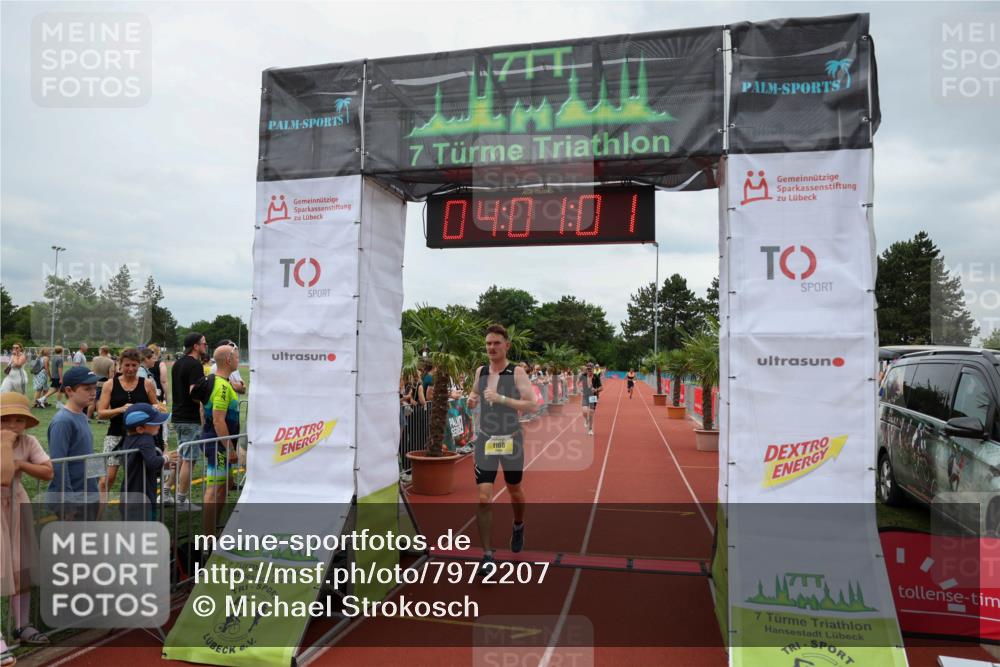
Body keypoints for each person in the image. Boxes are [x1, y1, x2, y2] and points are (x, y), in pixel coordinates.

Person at [466, 324, 534, 576]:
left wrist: (502, 399)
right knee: (484, 497)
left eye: (496, 343)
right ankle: (487, 555)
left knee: (514, 489)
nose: (491, 347)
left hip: (511, 439)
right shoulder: (481, 371)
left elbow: (531, 404)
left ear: (507, 345)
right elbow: (473, 394)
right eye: (488, 344)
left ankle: (518, 525)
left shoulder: (516, 372)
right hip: (486, 440)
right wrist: (471, 399)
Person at [1, 392, 54, 658]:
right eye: (5, 419)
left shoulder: (29, 441)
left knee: (21, 566)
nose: (12, 425)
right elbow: (3, 476)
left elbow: (48, 471)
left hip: (17, 505)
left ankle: (22, 625)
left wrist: (21, 462)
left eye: (19, 419)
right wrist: (6, 447)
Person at [96, 348, 158, 501]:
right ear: (120, 365)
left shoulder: (147, 384)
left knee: (138, 479)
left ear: (139, 365)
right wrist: (120, 409)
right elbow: (101, 413)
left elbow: (156, 409)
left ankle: (138, 513)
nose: (130, 369)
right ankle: (96, 516)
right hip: (115, 435)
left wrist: (153, 409)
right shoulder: (110, 384)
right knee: (107, 480)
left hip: (140, 438)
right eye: (127, 365)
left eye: (134, 365)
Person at [201, 345, 241, 537]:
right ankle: (207, 538)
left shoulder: (219, 382)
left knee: (222, 487)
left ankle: (213, 531)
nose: (238, 361)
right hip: (219, 444)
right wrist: (230, 448)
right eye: (237, 358)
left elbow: (204, 412)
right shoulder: (222, 386)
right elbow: (218, 420)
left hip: (217, 442)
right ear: (228, 360)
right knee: (214, 489)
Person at [47, 367, 100, 510]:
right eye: (87, 388)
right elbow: (58, 464)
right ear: (69, 391)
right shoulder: (63, 421)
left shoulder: (82, 416)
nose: (93, 393)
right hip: (74, 499)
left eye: (95, 388)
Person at [121, 404, 177, 521]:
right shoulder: (146, 439)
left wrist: (163, 462)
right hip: (142, 491)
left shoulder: (128, 438)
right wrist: (167, 458)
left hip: (129, 489)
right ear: (140, 429)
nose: (159, 425)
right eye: (155, 423)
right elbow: (152, 462)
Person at [172, 332, 207, 509]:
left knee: (181, 455)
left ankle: (165, 490)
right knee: (189, 459)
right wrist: (206, 399)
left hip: (177, 415)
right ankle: (181, 499)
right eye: (204, 344)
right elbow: (194, 393)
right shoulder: (195, 365)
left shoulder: (177, 363)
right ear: (195, 346)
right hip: (189, 417)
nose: (205, 346)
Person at [579, 363, 603, 436]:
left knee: (591, 413)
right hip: (585, 395)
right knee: (584, 412)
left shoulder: (596, 377)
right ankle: (586, 420)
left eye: (590, 369)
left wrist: (595, 390)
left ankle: (590, 429)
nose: (589, 370)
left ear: (593, 369)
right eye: (588, 369)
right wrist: (580, 390)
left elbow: (602, 388)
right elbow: (577, 383)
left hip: (593, 396)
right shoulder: (583, 376)